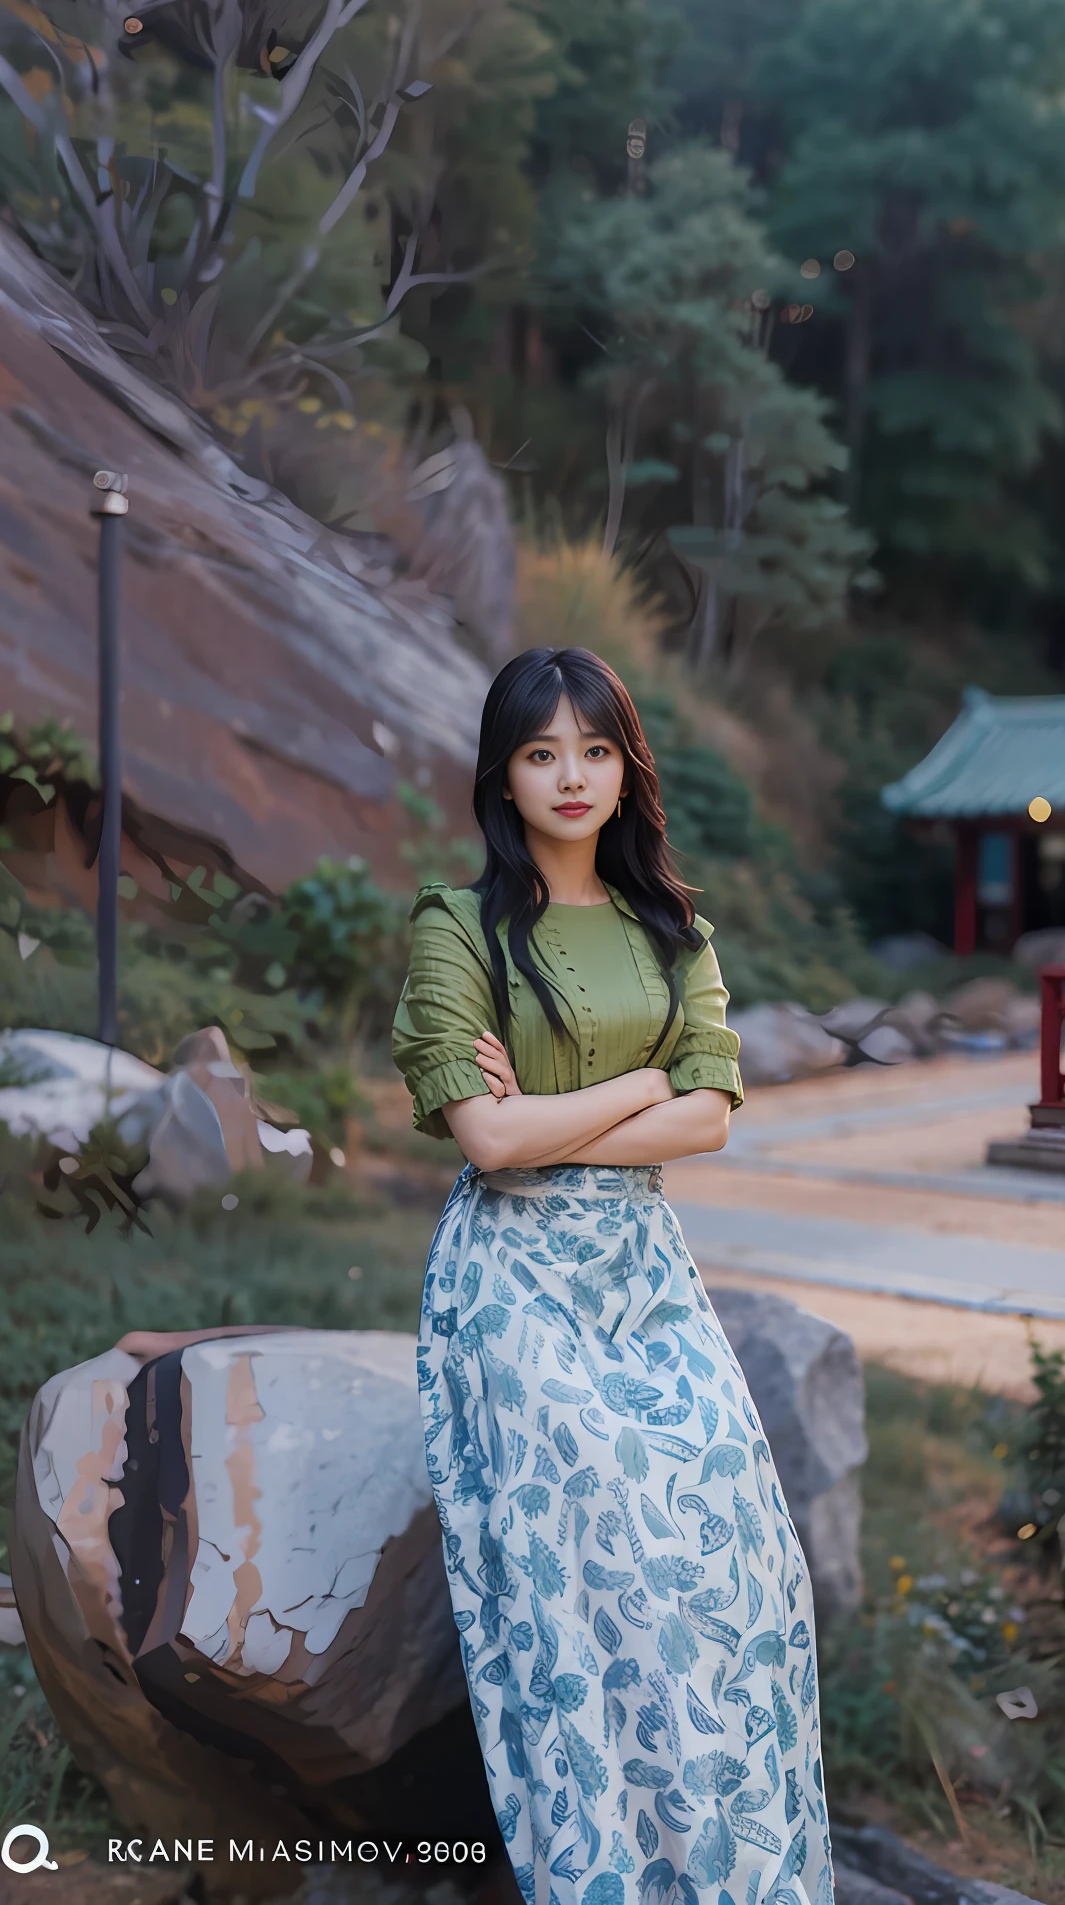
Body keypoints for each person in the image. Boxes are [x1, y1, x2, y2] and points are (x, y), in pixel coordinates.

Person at [393, 646, 833, 1905]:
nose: (570, 775)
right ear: (504, 773)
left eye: (594, 748)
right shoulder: (455, 925)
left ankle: (740, 1871)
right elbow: (483, 1141)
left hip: (644, 1273)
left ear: (626, 763)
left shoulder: (672, 928)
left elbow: (709, 1120)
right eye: (541, 752)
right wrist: (643, 1081)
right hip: (512, 1278)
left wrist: (558, 1102)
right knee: (594, 1591)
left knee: (743, 1558)